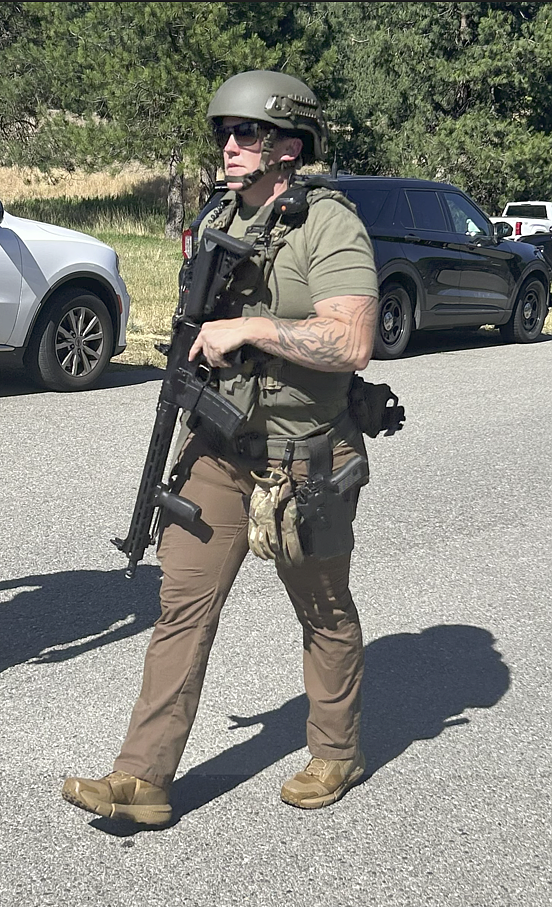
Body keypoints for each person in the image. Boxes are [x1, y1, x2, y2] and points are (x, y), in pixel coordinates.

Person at [62, 70, 379, 825]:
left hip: (306, 457)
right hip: (220, 444)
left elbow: (353, 339)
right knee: (182, 606)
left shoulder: (329, 225)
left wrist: (254, 330)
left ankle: (336, 750)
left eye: (246, 134)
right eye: (224, 135)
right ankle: (142, 779)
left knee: (324, 609)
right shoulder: (217, 220)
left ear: (287, 147)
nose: (229, 147)